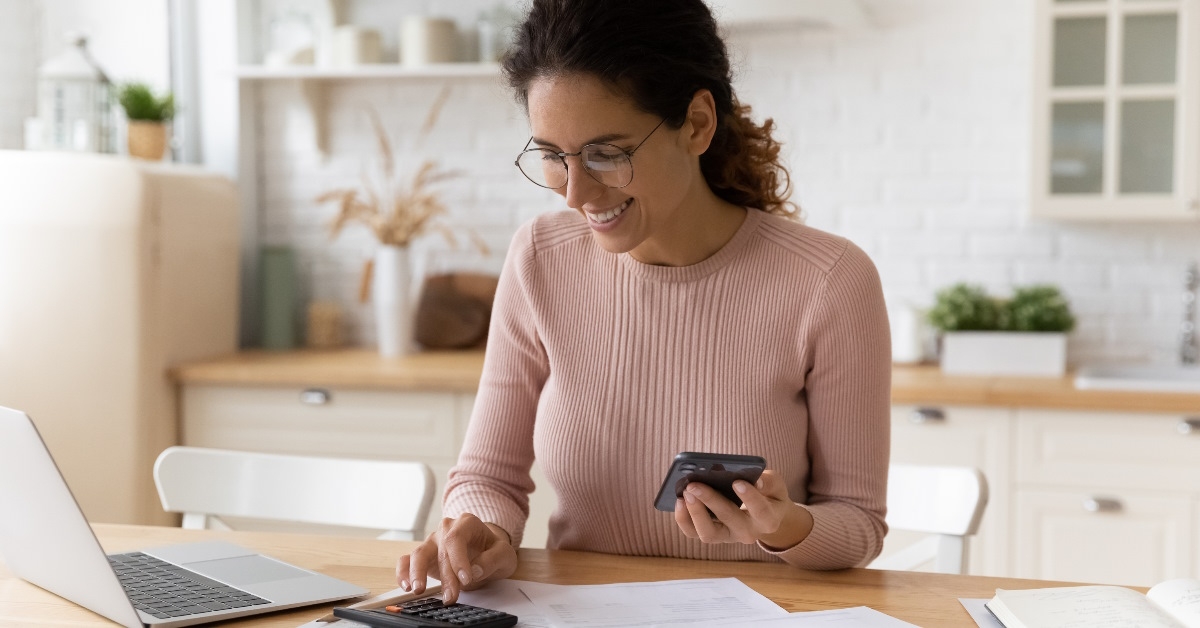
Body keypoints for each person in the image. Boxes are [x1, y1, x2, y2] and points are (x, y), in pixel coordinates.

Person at [397, 0, 891, 603]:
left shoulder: (830, 280)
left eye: (606, 153)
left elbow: (858, 524)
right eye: (552, 156)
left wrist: (782, 526)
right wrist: (482, 529)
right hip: (577, 613)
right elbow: (488, 476)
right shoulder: (540, 259)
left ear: (697, 124)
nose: (575, 193)